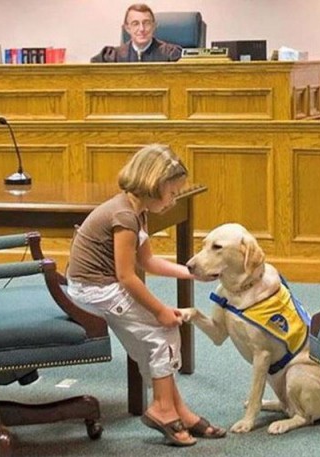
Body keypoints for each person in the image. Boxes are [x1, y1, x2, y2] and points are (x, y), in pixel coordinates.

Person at [66, 144, 225, 446]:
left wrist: (192, 272)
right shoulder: (124, 217)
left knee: (150, 343)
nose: (175, 199)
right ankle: (163, 409)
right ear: (153, 185)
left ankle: (178, 410)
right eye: (173, 192)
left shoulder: (136, 211)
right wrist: (161, 310)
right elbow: (127, 276)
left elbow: (148, 262)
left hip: (100, 285)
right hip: (94, 289)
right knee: (164, 332)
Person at [91, 3, 181, 63]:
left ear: (154, 26)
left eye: (146, 23)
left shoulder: (170, 54)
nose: (142, 29)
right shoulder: (112, 57)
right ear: (127, 28)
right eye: (135, 24)